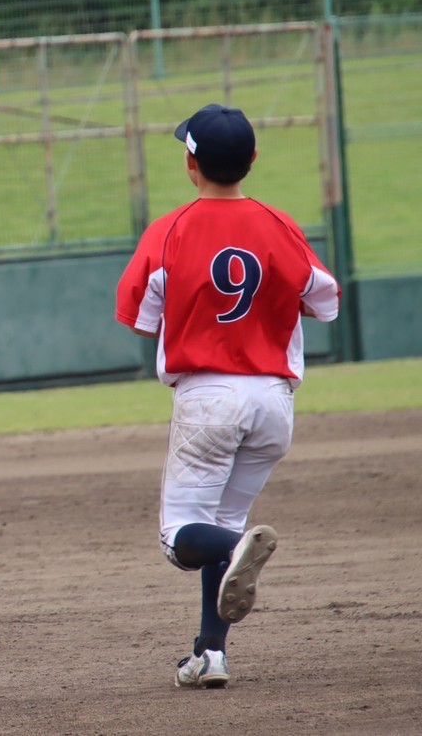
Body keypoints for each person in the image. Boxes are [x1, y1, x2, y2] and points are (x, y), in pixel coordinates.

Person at [115, 103, 340, 688]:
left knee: (180, 537)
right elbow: (325, 302)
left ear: (191, 165)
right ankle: (209, 656)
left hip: (209, 398)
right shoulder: (279, 225)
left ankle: (239, 547)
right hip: (273, 401)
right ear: (253, 160)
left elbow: (138, 316)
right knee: (222, 529)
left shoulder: (170, 229)